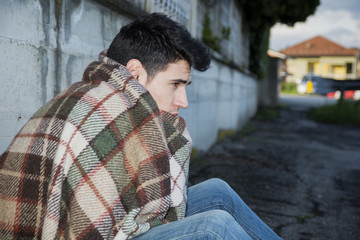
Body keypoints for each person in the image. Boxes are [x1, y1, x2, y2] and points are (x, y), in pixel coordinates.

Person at [0, 13, 282, 239]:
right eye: (175, 84)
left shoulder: (112, 95)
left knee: (217, 192)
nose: (183, 101)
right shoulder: (107, 110)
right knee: (212, 227)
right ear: (135, 72)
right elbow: (87, 228)